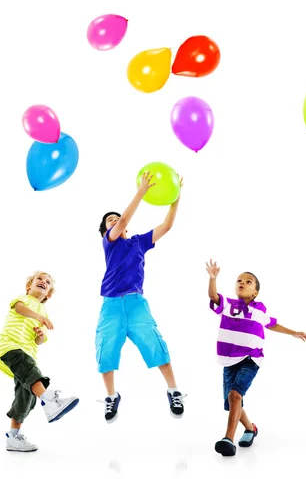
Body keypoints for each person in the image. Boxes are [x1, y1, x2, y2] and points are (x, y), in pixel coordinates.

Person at [96, 171, 185, 423]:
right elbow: (123, 220)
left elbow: (167, 226)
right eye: (110, 221)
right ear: (106, 230)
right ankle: (111, 396)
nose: (115, 222)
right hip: (111, 305)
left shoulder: (138, 243)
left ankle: (173, 390)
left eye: (116, 218)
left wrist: (176, 195)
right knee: (106, 351)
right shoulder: (109, 242)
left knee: (155, 344)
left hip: (136, 303)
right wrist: (142, 190)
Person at [206, 259, 306, 456]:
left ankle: (228, 439)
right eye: (239, 280)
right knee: (232, 401)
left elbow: (272, 324)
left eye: (248, 281)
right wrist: (212, 279)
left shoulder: (260, 310)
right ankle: (251, 429)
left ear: (255, 293)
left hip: (250, 360)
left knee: (235, 395)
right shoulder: (228, 304)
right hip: (228, 360)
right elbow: (213, 296)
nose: (242, 282)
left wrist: (294, 332)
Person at [0, 271, 79, 452]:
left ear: (48, 294)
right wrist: (39, 317)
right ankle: (49, 401)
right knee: (32, 373)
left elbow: (39, 341)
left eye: (47, 282)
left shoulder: (43, 311)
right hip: (9, 346)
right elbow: (19, 309)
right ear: (28, 286)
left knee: (25, 396)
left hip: (28, 353)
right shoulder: (23, 300)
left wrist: (40, 334)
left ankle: (13, 437)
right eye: (39, 279)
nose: (43, 281)